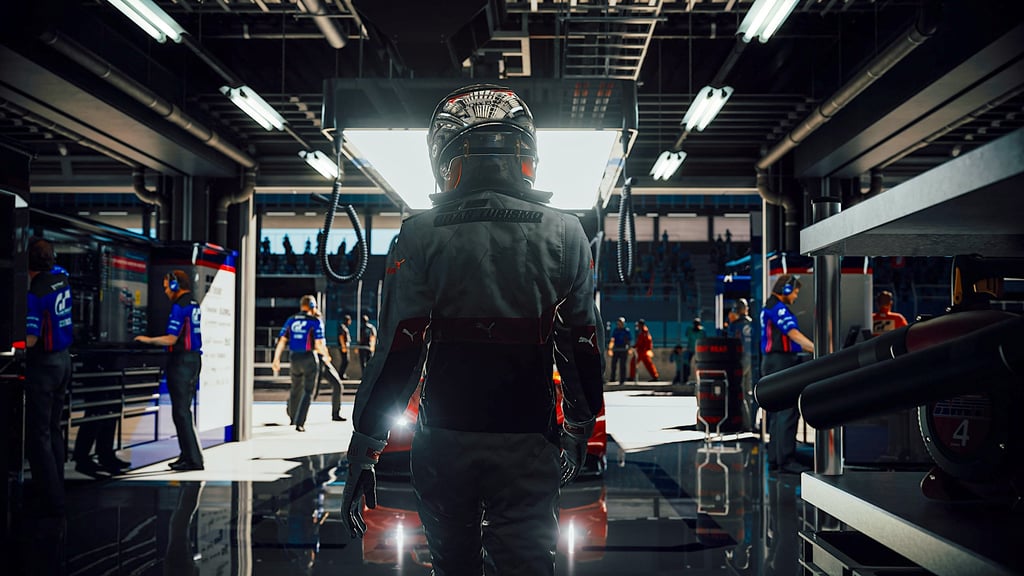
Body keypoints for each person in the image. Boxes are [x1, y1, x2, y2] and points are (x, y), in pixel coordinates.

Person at [340, 84, 604, 576]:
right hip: (528, 434)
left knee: (452, 566)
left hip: (445, 437)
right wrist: (579, 427)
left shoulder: (419, 233)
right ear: (526, 153)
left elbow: (399, 351)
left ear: (445, 157)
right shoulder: (566, 231)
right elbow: (583, 345)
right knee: (528, 564)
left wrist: (366, 446)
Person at [135, 270, 204, 471]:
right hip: (193, 360)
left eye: (166, 286)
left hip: (181, 361)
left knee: (181, 412)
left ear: (175, 285)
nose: (165, 291)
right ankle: (187, 455)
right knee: (184, 412)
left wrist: (147, 340)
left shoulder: (179, 306)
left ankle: (193, 459)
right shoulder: (193, 303)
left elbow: (171, 338)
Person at [25, 238, 73, 517]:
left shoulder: (36, 292)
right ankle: (58, 489)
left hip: (44, 365)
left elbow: (31, 339)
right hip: (64, 361)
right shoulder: (61, 280)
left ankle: (50, 499)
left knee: (38, 434)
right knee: (53, 428)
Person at [759, 275, 814, 473]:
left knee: (776, 412)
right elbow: (793, 333)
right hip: (781, 362)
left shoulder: (769, 305)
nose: (796, 296)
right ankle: (787, 460)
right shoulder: (779, 308)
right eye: (796, 292)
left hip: (771, 362)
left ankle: (775, 458)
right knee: (788, 411)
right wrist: (817, 348)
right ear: (787, 289)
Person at [271, 295, 331, 432]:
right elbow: (318, 343)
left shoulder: (291, 319)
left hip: (294, 358)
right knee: (308, 391)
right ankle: (300, 422)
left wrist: (276, 359)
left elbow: (282, 340)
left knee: (295, 388)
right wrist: (326, 356)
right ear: (312, 306)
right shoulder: (315, 321)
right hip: (309, 357)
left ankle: (292, 418)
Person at [726, 298, 756, 431]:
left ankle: (744, 423)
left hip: (740, 360)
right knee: (750, 392)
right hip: (754, 359)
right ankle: (752, 423)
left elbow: (730, 343)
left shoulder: (734, 325)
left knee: (738, 391)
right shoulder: (754, 324)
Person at [606, 316, 631, 385]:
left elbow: (628, 340)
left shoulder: (626, 330)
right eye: (618, 323)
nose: (619, 324)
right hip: (616, 348)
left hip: (623, 349)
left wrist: (629, 348)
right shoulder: (616, 330)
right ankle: (613, 378)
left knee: (623, 365)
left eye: (621, 323)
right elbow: (612, 339)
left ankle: (622, 379)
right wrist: (610, 348)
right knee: (613, 364)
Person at [684, 317, 705, 383]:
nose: (696, 325)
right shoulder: (690, 329)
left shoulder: (702, 331)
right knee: (686, 363)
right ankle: (685, 377)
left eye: (697, 324)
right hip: (690, 349)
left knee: (700, 364)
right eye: (695, 324)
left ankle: (701, 378)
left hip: (699, 350)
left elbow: (704, 339)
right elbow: (687, 334)